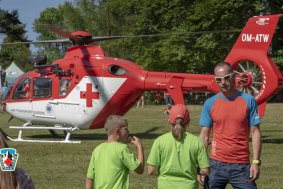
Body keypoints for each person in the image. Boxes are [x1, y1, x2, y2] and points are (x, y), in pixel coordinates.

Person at [199, 62, 261, 189]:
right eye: (219, 79)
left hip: (242, 166)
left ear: (233, 76)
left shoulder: (249, 101)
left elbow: (255, 132)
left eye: (227, 77)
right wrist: (201, 165)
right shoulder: (209, 103)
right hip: (215, 166)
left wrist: (255, 162)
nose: (223, 82)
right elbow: (204, 136)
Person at [147, 104, 209, 189]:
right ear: (188, 121)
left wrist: (164, 172)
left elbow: (151, 170)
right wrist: (194, 170)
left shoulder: (160, 141)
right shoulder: (197, 142)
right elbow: (205, 170)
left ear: (169, 120)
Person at [86, 115, 144, 189]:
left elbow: (89, 178)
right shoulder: (122, 149)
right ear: (117, 131)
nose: (128, 132)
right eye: (126, 129)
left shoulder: (97, 149)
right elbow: (140, 169)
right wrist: (139, 146)